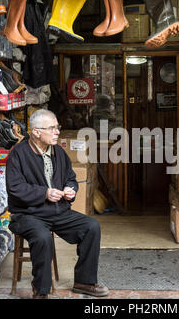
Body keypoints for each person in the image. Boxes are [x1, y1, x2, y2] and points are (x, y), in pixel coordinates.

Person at [6, 109, 109, 298]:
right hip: (28, 214)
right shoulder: (18, 154)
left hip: (58, 211)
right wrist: (44, 193)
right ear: (36, 132)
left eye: (57, 127)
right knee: (43, 237)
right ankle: (41, 291)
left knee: (91, 227)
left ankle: (84, 282)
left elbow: (70, 177)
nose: (57, 132)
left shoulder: (58, 152)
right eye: (52, 128)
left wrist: (71, 189)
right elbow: (15, 188)